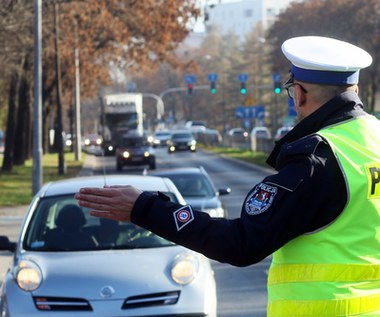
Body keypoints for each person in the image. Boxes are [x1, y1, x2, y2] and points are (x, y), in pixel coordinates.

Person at [75, 36, 380, 316]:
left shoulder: (318, 158)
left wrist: (143, 208)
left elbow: (240, 243)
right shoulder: (374, 138)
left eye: (290, 91)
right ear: (354, 89)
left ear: (299, 94)